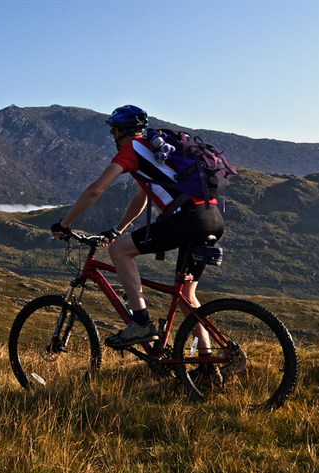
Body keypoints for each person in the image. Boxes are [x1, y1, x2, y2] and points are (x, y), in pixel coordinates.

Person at [51, 105, 225, 361]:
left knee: (119, 251)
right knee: (187, 296)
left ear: (119, 131)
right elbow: (143, 195)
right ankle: (209, 364)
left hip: (187, 219)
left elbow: (96, 190)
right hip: (211, 217)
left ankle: (141, 323)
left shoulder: (131, 151)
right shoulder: (157, 151)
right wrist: (118, 228)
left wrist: (64, 224)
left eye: (114, 131)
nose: (113, 136)